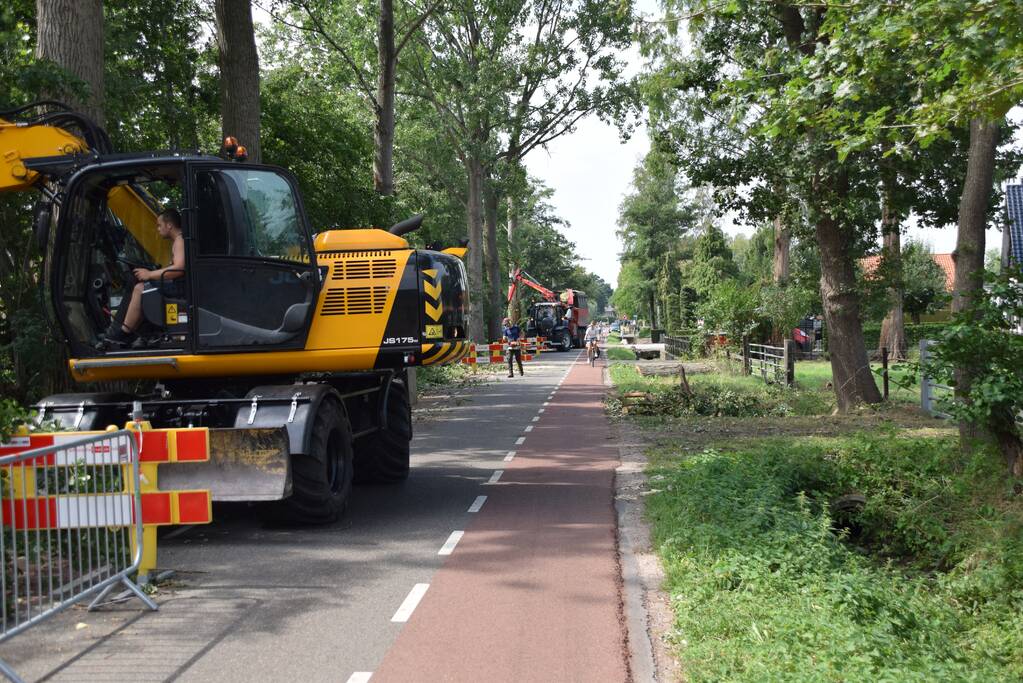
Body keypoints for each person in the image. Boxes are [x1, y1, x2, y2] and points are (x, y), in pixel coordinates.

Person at [103, 208, 186, 347]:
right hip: (179, 285)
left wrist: (149, 274)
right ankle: (136, 333)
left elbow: (178, 269)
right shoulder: (180, 240)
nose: (158, 229)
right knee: (144, 289)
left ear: (169, 225)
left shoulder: (180, 240)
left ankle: (123, 333)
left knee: (140, 288)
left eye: (159, 225)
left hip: (181, 287)